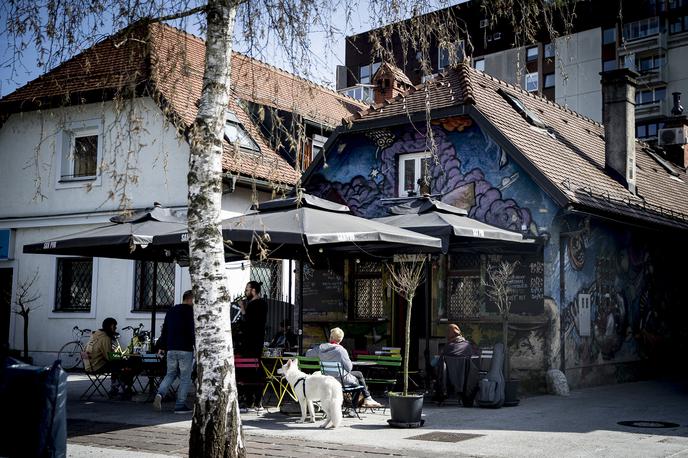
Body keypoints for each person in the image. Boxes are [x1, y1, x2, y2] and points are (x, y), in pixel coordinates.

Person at [306, 327, 382, 408]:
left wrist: (314, 349)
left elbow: (308, 354)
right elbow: (349, 368)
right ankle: (355, 407)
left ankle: (368, 398)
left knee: (358, 374)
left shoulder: (320, 348)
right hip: (340, 379)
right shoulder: (341, 351)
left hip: (327, 378)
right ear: (340, 339)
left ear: (330, 337)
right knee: (358, 381)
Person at [153, 290, 195, 414]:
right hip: (185, 349)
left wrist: (161, 345)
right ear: (190, 299)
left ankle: (160, 393)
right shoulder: (191, 312)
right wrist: (196, 346)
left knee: (170, 374)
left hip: (171, 349)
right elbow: (192, 331)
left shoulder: (171, 311)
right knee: (185, 378)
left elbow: (165, 330)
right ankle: (180, 405)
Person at [84, 317, 138, 399]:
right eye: (115, 327)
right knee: (128, 364)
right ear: (111, 326)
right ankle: (124, 387)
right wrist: (122, 356)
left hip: (89, 365)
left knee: (120, 364)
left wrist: (119, 356)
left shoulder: (95, 334)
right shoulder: (105, 338)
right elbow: (109, 357)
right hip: (97, 366)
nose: (115, 329)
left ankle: (116, 387)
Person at [432, 324, 479, 405]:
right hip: (464, 379)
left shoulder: (448, 346)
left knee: (433, 365)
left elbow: (440, 362)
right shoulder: (467, 345)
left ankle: (439, 394)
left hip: (448, 379)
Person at [238, 281, 268, 357]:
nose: (245, 292)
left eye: (247, 290)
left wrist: (242, 307)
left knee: (248, 364)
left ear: (253, 290)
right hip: (257, 340)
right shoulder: (262, 303)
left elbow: (248, 321)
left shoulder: (254, 304)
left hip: (251, 342)